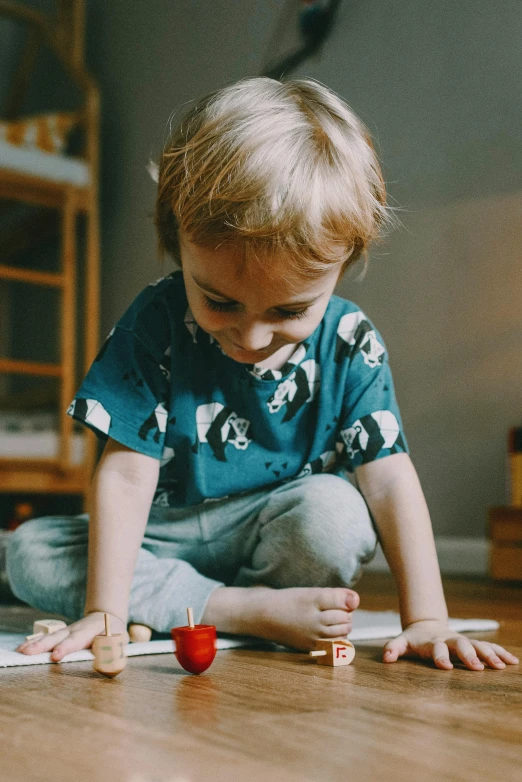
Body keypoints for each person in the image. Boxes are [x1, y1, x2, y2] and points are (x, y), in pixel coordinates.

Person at [7, 78, 517, 672]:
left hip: (273, 534)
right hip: (160, 534)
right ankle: (242, 610)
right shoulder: (154, 323)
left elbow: (388, 481)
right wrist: (105, 611)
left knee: (338, 513)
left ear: (344, 263)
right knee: (30, 551)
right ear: (179, 240)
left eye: (289, 311)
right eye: (220, 303)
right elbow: (123, 479)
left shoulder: (351, 343)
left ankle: (186, 601)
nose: (250, 338)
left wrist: (427, 618)